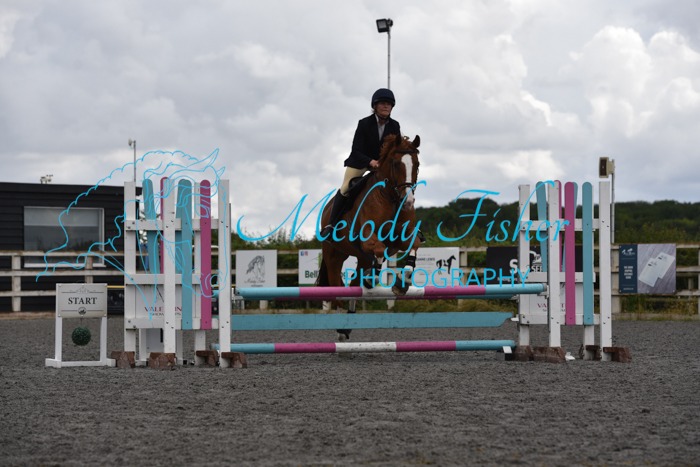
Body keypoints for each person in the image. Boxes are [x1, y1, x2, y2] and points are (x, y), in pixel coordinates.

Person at [320, 88, 401, 238]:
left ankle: (405, 225)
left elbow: (396, 149)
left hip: (381, 165)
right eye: (382, 103)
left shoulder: (395, 126)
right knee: (345, 188)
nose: (386, 106)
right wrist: (371, 161)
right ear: (375, 106)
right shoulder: (364, 123)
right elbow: (356, 150)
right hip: (360, 162)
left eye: (389, 104)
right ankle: (331, 225)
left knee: (400, 187)